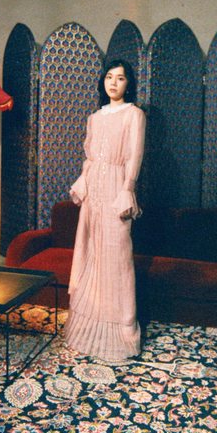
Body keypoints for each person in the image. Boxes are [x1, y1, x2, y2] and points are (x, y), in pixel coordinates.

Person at [63, 58, 146, 361]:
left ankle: (122, 333)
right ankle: (88, 326)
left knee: (117, 258)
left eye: (120, 78)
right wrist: (83, 183)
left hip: (115, 190)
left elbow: (134, 155)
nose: (113, 83)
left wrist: (127, 189)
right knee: (91, 253)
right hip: (94, 192)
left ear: (128, 84)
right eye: (109, 77)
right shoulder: (95, 117)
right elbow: (90, 158)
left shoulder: (134, 114)